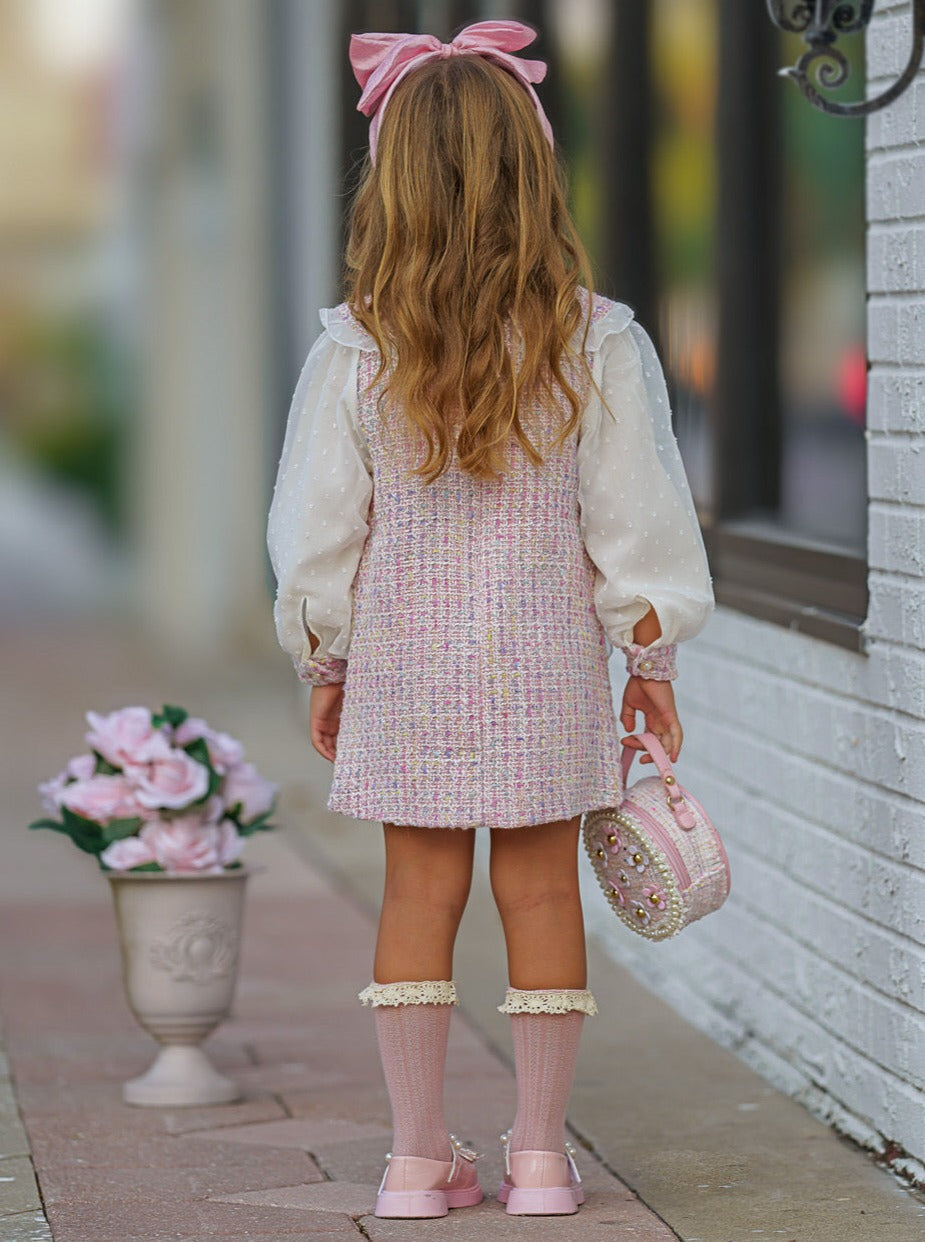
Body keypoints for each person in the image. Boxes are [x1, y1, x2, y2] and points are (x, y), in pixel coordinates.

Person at [266, 19, 714, 1221]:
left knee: (415, 897)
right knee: (541, 897)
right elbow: (637, 523)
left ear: (390, 180)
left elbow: (318, 536)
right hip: (547, 669)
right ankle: (538, 1162)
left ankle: (415, 1162)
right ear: (536, 167)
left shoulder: (355, 348)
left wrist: (324, 657)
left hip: (405, 669)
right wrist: (651, 653)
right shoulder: (595, 339)